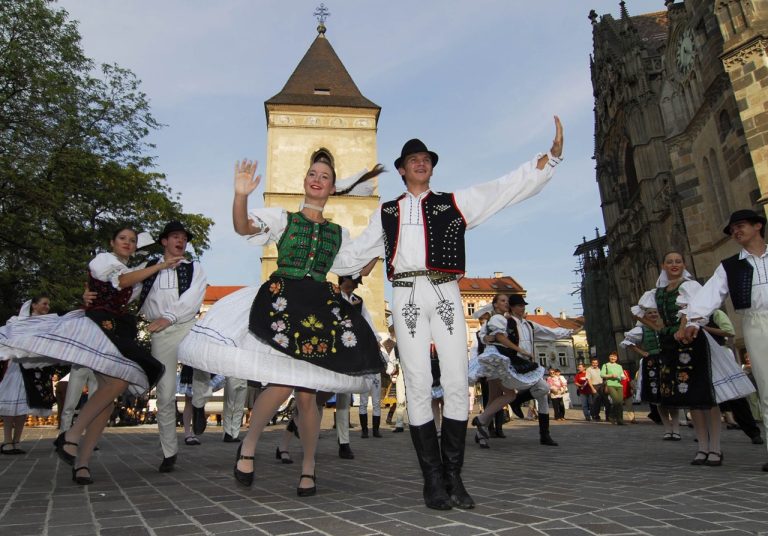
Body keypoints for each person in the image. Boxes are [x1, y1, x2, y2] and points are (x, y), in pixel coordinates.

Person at [338, 121, 563, 510]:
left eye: (426, 159)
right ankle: (432, 480)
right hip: (406, 293)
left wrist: (545, 161)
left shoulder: (452, 203)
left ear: (431, 167)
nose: (421, 163)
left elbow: (499, 191)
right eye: (413, 160)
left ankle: (454, 476)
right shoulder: (387, 212)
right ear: (403, 169)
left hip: (444, 291)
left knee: (458, 380)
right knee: (419, 382)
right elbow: (355, 254)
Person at [177, 156, 385, 496]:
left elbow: (358, 267)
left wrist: (381, 239)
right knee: (279, 385)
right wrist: (241, 195)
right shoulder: (283, 218)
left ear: (333, 187)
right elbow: (244, 227)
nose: (317, 179)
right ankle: (249, 446)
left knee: (308, 396)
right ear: (305, 181)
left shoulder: (338, 233)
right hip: (283, 304)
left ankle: (308, 467)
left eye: (325, 176)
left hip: (317, 309)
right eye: (312, 174)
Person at [649, 250, 754, 466]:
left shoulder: (690, 286)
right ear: (663, 266)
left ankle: (715, 448)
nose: (674, 265)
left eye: (678, 261)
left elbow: (695, 311)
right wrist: (663, 330)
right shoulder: (658, 292)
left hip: (694, 342)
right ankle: (702, 447)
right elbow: (653, 318)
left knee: (705, 395)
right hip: (673, 345)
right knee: (692, 399)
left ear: (684, 264)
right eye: (670, 262)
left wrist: (682, 326)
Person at [683, 209, 768, 471]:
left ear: (758, 226)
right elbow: (710, 295)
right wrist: (692, 320)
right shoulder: (729, 265)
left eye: (740, 226)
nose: (736, 232)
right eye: (732, 230)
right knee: (766, 388)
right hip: (757, 322)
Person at [468, 294, 571, 449]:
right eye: (518, 305)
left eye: (523, 305)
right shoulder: (503, 320)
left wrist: (570, 332)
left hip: (516, 363)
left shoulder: (527, 324)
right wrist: (488, 338)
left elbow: (549, 332)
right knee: (510, 395)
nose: (522, 308)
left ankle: (544, 433)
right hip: (504, 362)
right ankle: (484, 421)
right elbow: (488, 336)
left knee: (498, 398)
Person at [0, 296, 52, 455]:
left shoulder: (48, 324)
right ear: (34, 305)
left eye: (48, 304)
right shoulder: (19, 321)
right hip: (16, 367)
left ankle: (16, 441)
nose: (47, 307)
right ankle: (7, 441)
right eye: (44, 304)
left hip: (34, 368)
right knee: (11, 406)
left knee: (24, 406)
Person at [600, 352, 624, 425]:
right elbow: (602, 375)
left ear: (616, 358)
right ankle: (612, 415)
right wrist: (611, 375)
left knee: (620, 402)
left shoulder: (619, 366)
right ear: (609, 357)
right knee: (616, 401)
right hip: (610, 384)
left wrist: (622, 377)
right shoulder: (606, 365)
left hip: (619, 385)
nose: (613, 358)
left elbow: (622, 375)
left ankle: (619, 419)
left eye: (614, 357)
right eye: (611, 356)